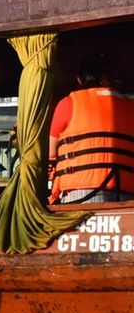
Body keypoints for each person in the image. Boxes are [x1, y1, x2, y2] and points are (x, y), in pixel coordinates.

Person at [49, 53, 134, 204]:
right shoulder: (131, 107)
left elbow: (50, 152)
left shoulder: (69, 103)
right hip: (127, 195)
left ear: (80, 78)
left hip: (82, 193)